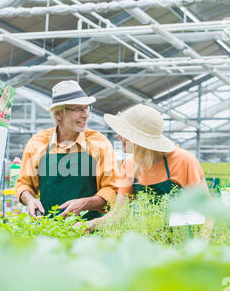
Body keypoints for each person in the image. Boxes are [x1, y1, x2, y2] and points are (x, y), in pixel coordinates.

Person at [83, 103, 210, 232]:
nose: (118, 136)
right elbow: (119, 213)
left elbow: (208, 210)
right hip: (149, 240)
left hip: (182, 243)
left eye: (123, 133)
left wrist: (202, 245)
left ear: (138, 140)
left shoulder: (183, 160)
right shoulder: (129, 165)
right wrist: (92, 224)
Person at [15, 80, 118, 219]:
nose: (86, 114)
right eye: (78, 109)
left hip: (88, 231)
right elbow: (24, 184)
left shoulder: (98, 143)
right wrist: (30, 200)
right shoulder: (37, 143)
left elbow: (112, 189)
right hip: (47, 230)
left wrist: (85, 203)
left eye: (87, 107)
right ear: (59, 114)